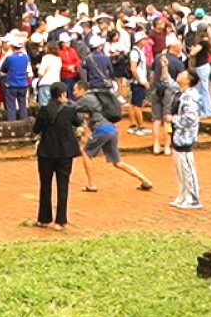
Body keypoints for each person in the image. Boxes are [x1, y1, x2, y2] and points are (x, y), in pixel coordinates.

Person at [74, 86, 154, 193]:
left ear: (82, 89)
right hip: (112, 130)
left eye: (75, 90)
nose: (73, 92)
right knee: (118, 162)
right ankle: (145, 180)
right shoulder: (97, 103)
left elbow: (72, 107)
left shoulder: (88, 98)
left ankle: (91, 184)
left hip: (102, 130)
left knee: (86, 153)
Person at [31, 81, 80, 230]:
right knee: (63, 185)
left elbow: (36, 129)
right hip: (65, 152)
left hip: (47, 152)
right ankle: (60, 220)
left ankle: (44, 219)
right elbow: (78, 123)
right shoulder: (70, 110)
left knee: (45, 185)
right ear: (63, 94)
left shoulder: (44, 110)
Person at [169, 71, 203, 209]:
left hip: (185, 136)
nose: (179, 74)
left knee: (187, 168)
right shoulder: (181, 92)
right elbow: (167, 82)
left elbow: (190, 118)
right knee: (180, 169)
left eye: (183, 74)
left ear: (188, 80)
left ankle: (193, 199)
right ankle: (183, 196)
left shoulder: (190, 97)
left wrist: (174, 119)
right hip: (178, 136)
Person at [150, 40, 185, 155]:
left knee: (156, 119)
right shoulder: (178, 63)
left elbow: (152, 75)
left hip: (156, 90)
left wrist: (152, 87)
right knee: (167, 119)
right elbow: (181, 80)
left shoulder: (158, 57)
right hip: (170, 92)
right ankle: (167, 147)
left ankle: (156, 145)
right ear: (176, 48)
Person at [0, 34, 32, 122]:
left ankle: (12, 124)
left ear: (12, 47)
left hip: (11, 84)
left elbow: (3, 68)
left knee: (11, 106)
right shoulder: (26, 57)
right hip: (23, 84)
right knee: (23, 105)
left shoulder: (10, 58)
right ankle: (24, 122)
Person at [35, 40, 63, 109]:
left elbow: (41, 72)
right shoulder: (58, 59)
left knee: (45, 105)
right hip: (56, 83)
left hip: (46, 83)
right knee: (55, 105)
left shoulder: (46, 58)